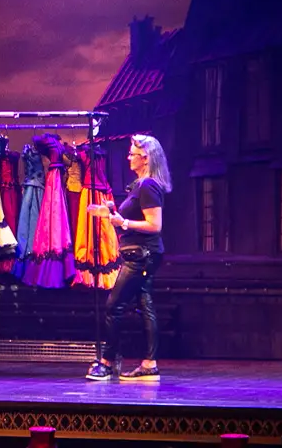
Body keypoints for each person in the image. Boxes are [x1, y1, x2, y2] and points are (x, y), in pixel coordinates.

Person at [86, 133, 172, 382]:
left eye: (132, 154)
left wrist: (122, 222)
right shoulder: (141, 185)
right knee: (145, 305)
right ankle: (149, 363)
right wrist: (110, 212)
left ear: (145, 158)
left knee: (115, 306)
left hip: (141, 256)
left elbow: (154, 225)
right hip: (142, 254)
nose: (128, 158)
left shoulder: (148, 186)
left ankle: (107, 362)